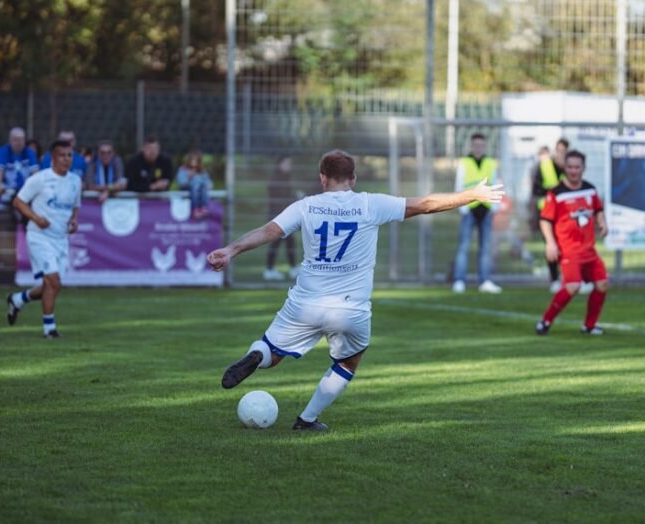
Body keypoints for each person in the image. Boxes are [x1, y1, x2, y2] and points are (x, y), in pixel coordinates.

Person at [207, 149, 504, 431]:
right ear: (353, 179)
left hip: (305, 304)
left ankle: (257, 355)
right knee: (348, 362)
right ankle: (307, 419)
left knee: (272, 352)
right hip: (351, 309)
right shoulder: (370, 205)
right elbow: (425, 204)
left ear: (322, 178)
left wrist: (231, 250)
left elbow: (269, 231)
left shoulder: (306, 206)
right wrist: (472, 195)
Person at [6, 140, 82, 339]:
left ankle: (18, 299)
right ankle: (49, 329)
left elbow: (75, 205)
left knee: (52, 285)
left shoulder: (75, 180)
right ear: (53, 158)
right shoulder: (40, 179)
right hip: (39, 236)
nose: (66, 159)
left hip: (60, 239)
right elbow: (18, 202)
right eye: (62, 155)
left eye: (69, 155)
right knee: (53, 282)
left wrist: (74, 220)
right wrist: (36, 218)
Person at [535, 150, 610, 337]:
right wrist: (550, 243)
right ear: (565, 168)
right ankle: (545, 321)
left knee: (602, 284)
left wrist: (602, 222)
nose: (573, 171)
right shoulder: (556, 193)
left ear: (583, 168)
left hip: (589, 250)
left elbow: (598, 209)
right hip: (569, 251)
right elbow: (545, 220)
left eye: (577, 167)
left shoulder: (590, 189)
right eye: (570, 167)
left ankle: (589, 326)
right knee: (573, 286)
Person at [451, 133, 502, 294]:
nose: (478, 147)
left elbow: (495, 183)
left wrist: (494, 207)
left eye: (481, 145)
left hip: (485, 209)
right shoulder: (464, 162)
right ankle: (459, 280)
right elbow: (459, 184)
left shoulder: (490, 163)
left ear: (485, 146)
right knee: (464, 246)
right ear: (471, 146)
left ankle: (485, 280)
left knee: (485, 248)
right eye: (476, 145)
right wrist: (462, 206)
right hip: (469, 208)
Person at [0, 127, 39, 266]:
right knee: (6, 234)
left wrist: (35, 190)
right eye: (15, 139)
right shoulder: (3, 152)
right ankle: (6, 265)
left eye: (21, 139)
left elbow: (36, 174)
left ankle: (36, 263)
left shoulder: (29, 152)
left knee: (33, 230)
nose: (19, 142)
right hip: (6, 200)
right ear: (10, 140)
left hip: (25, 199)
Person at [531, 138, 569, 293]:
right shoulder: (545, 166)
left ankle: (569, 276)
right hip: (547, 213)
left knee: (567, 246)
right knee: (551, 245)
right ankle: (554, 279)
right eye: (559, 151)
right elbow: (536, 190)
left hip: (565, 213)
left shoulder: (570, 168)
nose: (561, 154)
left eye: (564, 151)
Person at [264, 155, 299, 280]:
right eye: (287, 163)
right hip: (278, 216)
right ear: (280, 164)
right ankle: (269, 270)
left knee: (290, 242)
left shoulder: (286, 177)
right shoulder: (276, 179)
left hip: (285, 216)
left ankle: (292, 268)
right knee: (276, 243)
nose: (289, 166)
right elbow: (281, 198)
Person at [175, 149, 213, 219]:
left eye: (196, 160)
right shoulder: (183, 169)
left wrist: (201, 181)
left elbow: (209, 183)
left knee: (200, 184)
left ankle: (203, 207)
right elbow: (181, 183)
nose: (194, 162)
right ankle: (195, 209)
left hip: (200, 190)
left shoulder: (202, 171)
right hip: (187, 190)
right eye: (192, 159)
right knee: (196, 183)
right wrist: (189, 177)